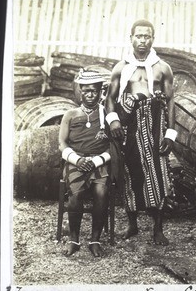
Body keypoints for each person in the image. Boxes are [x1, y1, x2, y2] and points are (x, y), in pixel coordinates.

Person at [105, 19, 177, 245]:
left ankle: (158, 229)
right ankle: (132, 225)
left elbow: (171, 101)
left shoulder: (162, 68)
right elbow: (110, 98)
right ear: (131, 38)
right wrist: (114, 121)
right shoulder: (121, 67)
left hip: (155, 125)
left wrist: (170, 133)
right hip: (127, 126)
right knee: (130, 174)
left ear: (152, 39)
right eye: (138, 36)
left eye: (147, 36)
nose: (142, 40)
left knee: (158, 173)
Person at [59, 69, 111, 257]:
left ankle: (95, 240)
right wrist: (78, 160)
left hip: (99, 162)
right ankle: (74, 240)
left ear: (100, 92)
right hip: (76, 161)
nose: (90, 94)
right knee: (76, 195)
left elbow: (113, 146)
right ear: (80, 91)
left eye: (94, 91)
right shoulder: (70, 114)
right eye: (86, 90)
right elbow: (62, 143)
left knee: (101, 191)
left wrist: (96, 160)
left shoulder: (107, 114)